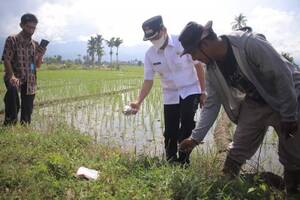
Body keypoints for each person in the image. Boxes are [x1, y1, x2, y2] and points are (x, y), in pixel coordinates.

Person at [178, 20, 300, 198]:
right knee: (237, 148)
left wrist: (289, 115)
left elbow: (282, 76)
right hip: (256, 101)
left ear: (204, 43)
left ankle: (293, 192)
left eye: (193, 52)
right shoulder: (212, 69)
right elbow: (211, 104)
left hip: (288, 95)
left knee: (293, 153)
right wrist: (195, 138)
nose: (194, 58)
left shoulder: (248, 43)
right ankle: (226, 187)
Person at [130, 15, 206, 165]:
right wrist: (138, 101)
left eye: (156, 36)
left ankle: (184, 161)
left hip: (190, 89)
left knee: (186, 124)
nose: (154, 41)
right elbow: (148, 80)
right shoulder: (150, 55)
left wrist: (203, 92)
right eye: (150, 39)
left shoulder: (181, 42)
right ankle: (171, 161)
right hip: (170, 94)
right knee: (170, 130)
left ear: (164, 30)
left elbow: (198, 66)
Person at [1, 13, 46, 125]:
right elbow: (6, 59)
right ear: (21, 25)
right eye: (28, 27)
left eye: (33, 28)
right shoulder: (12, 40)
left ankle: (25, 129)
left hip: (30, 79)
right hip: (15, 76)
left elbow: (36, 65)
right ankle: (10, 124)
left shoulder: (35, 44)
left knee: (27, 111)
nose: (31, 30)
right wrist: (11, 76)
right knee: (12, 92)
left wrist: (40, 55)